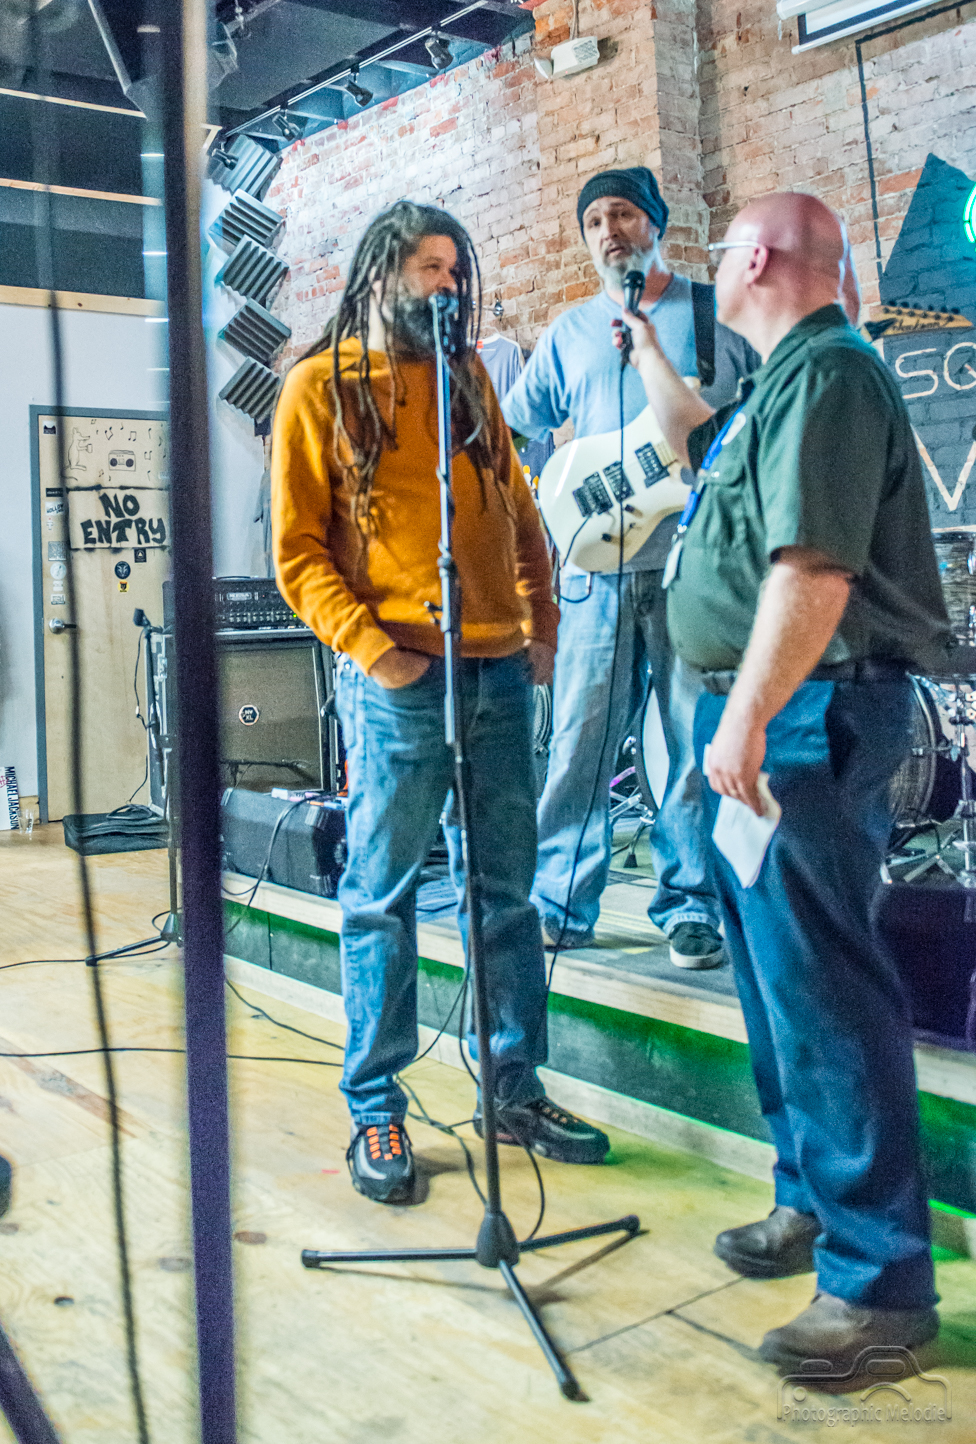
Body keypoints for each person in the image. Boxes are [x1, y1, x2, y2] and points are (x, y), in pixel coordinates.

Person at [619, 192, 950, 1369]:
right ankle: (810, 1197)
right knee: (776, 982)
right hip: (771, 712)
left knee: (824, 991)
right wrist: (645, 346)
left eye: (722, 250)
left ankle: (878, 1285)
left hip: (806, 711)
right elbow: (693, 443)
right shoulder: (779, 387)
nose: (711, 266)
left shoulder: (831, 374)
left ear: (754, 256)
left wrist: (748, 714)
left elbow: (812, 568)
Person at [271, 201, 610, 1207]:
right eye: (430, 266)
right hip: (400, 681)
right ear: (381, 272)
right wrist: (378, 655)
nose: (449, 284)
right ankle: (375, 1104)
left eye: (457, 268)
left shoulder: (467, 378)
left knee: (506, 894)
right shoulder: (320, 386)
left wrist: (542, 623)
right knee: (381, 898)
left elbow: (518, 507)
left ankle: (513, 1087)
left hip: (498, 669)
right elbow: (297, 552)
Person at [502, 166, 757, 969]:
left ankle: (690, 904)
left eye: (622, 215)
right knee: (579, 742)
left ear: (656, 224)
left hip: (692, 569)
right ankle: (559, 900)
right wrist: (540, 503)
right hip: (591, 571)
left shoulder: (716, 317)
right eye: (594, 221)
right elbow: (513, 429)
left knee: (689, 745)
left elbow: (754, 429)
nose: (608, 231)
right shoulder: (569, 332)